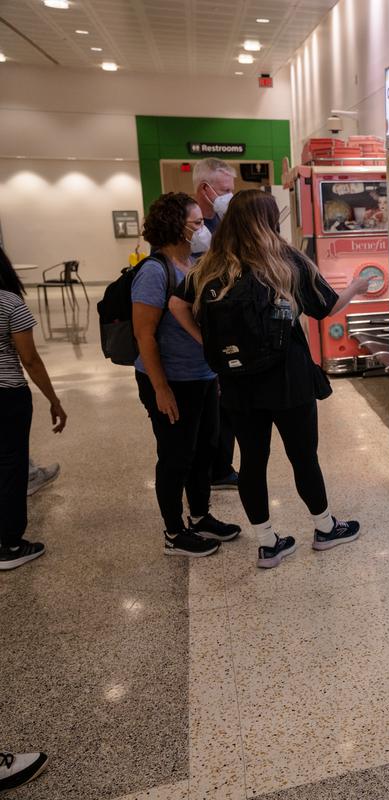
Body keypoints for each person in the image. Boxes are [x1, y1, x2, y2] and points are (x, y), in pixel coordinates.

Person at [171, 190, 369, 569]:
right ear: (268, 220)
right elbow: (326, 307)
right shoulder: (285, 260)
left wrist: (206, 343)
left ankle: (267, 543)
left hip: (236, 382)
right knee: (302, 456)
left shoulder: (209, 265)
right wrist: (356, 288)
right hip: (288, 379)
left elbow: (177, 304)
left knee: (252, 461)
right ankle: (325, 528)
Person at [133, 192, 240, 557]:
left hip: (202, 375)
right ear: (175, 226)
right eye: (196, 223)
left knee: (205, 449)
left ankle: (200, 515)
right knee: (176, 455)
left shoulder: (194, 263)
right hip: (170, 379)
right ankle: (174, 533)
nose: (202, 228)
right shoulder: (154, 271)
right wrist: (160, 388)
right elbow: (144, 334)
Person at [0, 245, 65, 571]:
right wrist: (54, 400)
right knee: (11, 467)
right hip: (7, 395)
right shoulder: (11, 303)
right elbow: (29, 359)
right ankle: (11, 544)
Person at [190, 157, 240, 492]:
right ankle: (204, 471)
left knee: (229, 407)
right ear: (204, 189)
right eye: (224, 191)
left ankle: (222, 467)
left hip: (230, 326)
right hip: (198, 330)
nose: (228, 197)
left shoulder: (229, 221)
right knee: (204, 411)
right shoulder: (186, 220)